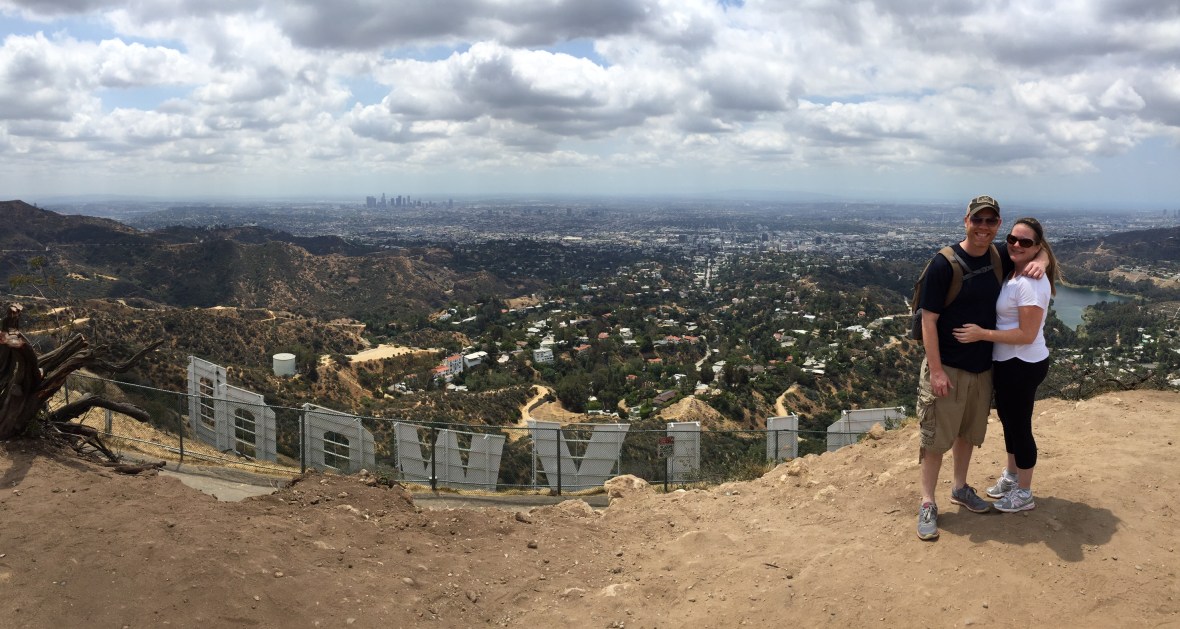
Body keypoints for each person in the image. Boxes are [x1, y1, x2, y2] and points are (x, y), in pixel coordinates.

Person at [914, 195, 1047, 541]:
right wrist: (937, 371)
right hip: (949, 367)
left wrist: (1043, 260)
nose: (983, 227)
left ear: (997, 226)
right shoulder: (944, 263)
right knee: (935, 439)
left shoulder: (998, 253)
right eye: (978, 220)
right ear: (966, 221)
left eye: (990, 222)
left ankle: (959, 488)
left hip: (982, 368)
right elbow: (928, 321)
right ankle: (927, 501)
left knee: (967, 435)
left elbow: (1033, 247)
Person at [953, 217, 1060, 513]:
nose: (1016, 245)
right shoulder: (1014, 269)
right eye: (1013, 239)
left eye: (1026, 242)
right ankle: (1012, 476)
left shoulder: (1030, 282)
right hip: (1008, 362)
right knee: (1009, 423)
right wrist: (1042, 255)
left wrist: (981, 334)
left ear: (1037, 246)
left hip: (1022, 363)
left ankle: (1024, 492)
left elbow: (1026, 335)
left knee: (1020, 426)